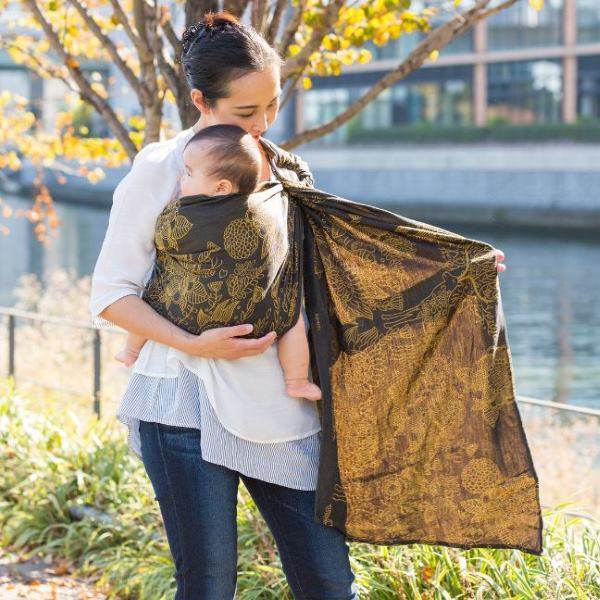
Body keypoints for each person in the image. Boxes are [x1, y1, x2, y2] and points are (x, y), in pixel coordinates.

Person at [89, 10, 505, 599]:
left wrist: (453, 265)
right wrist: (193, 343)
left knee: (330, 585)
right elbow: (110, 293)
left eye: (273, 105)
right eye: (245, 113)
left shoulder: (286, 170)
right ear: (200, 101)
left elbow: (342, 256)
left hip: (279, 411)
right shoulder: (163, 170)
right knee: (208, 587)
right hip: (182, 404)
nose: (263, 124)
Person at [114, 123, 322, 402]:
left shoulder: (184, 213)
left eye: (188, 173)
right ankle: (296, 379)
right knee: (293, 313)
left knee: (155, 292)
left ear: (221, 187)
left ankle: (131, 350)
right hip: (262, 321)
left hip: (193, 319)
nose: (181, 180)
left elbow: (164, 241)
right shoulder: (269, 206)